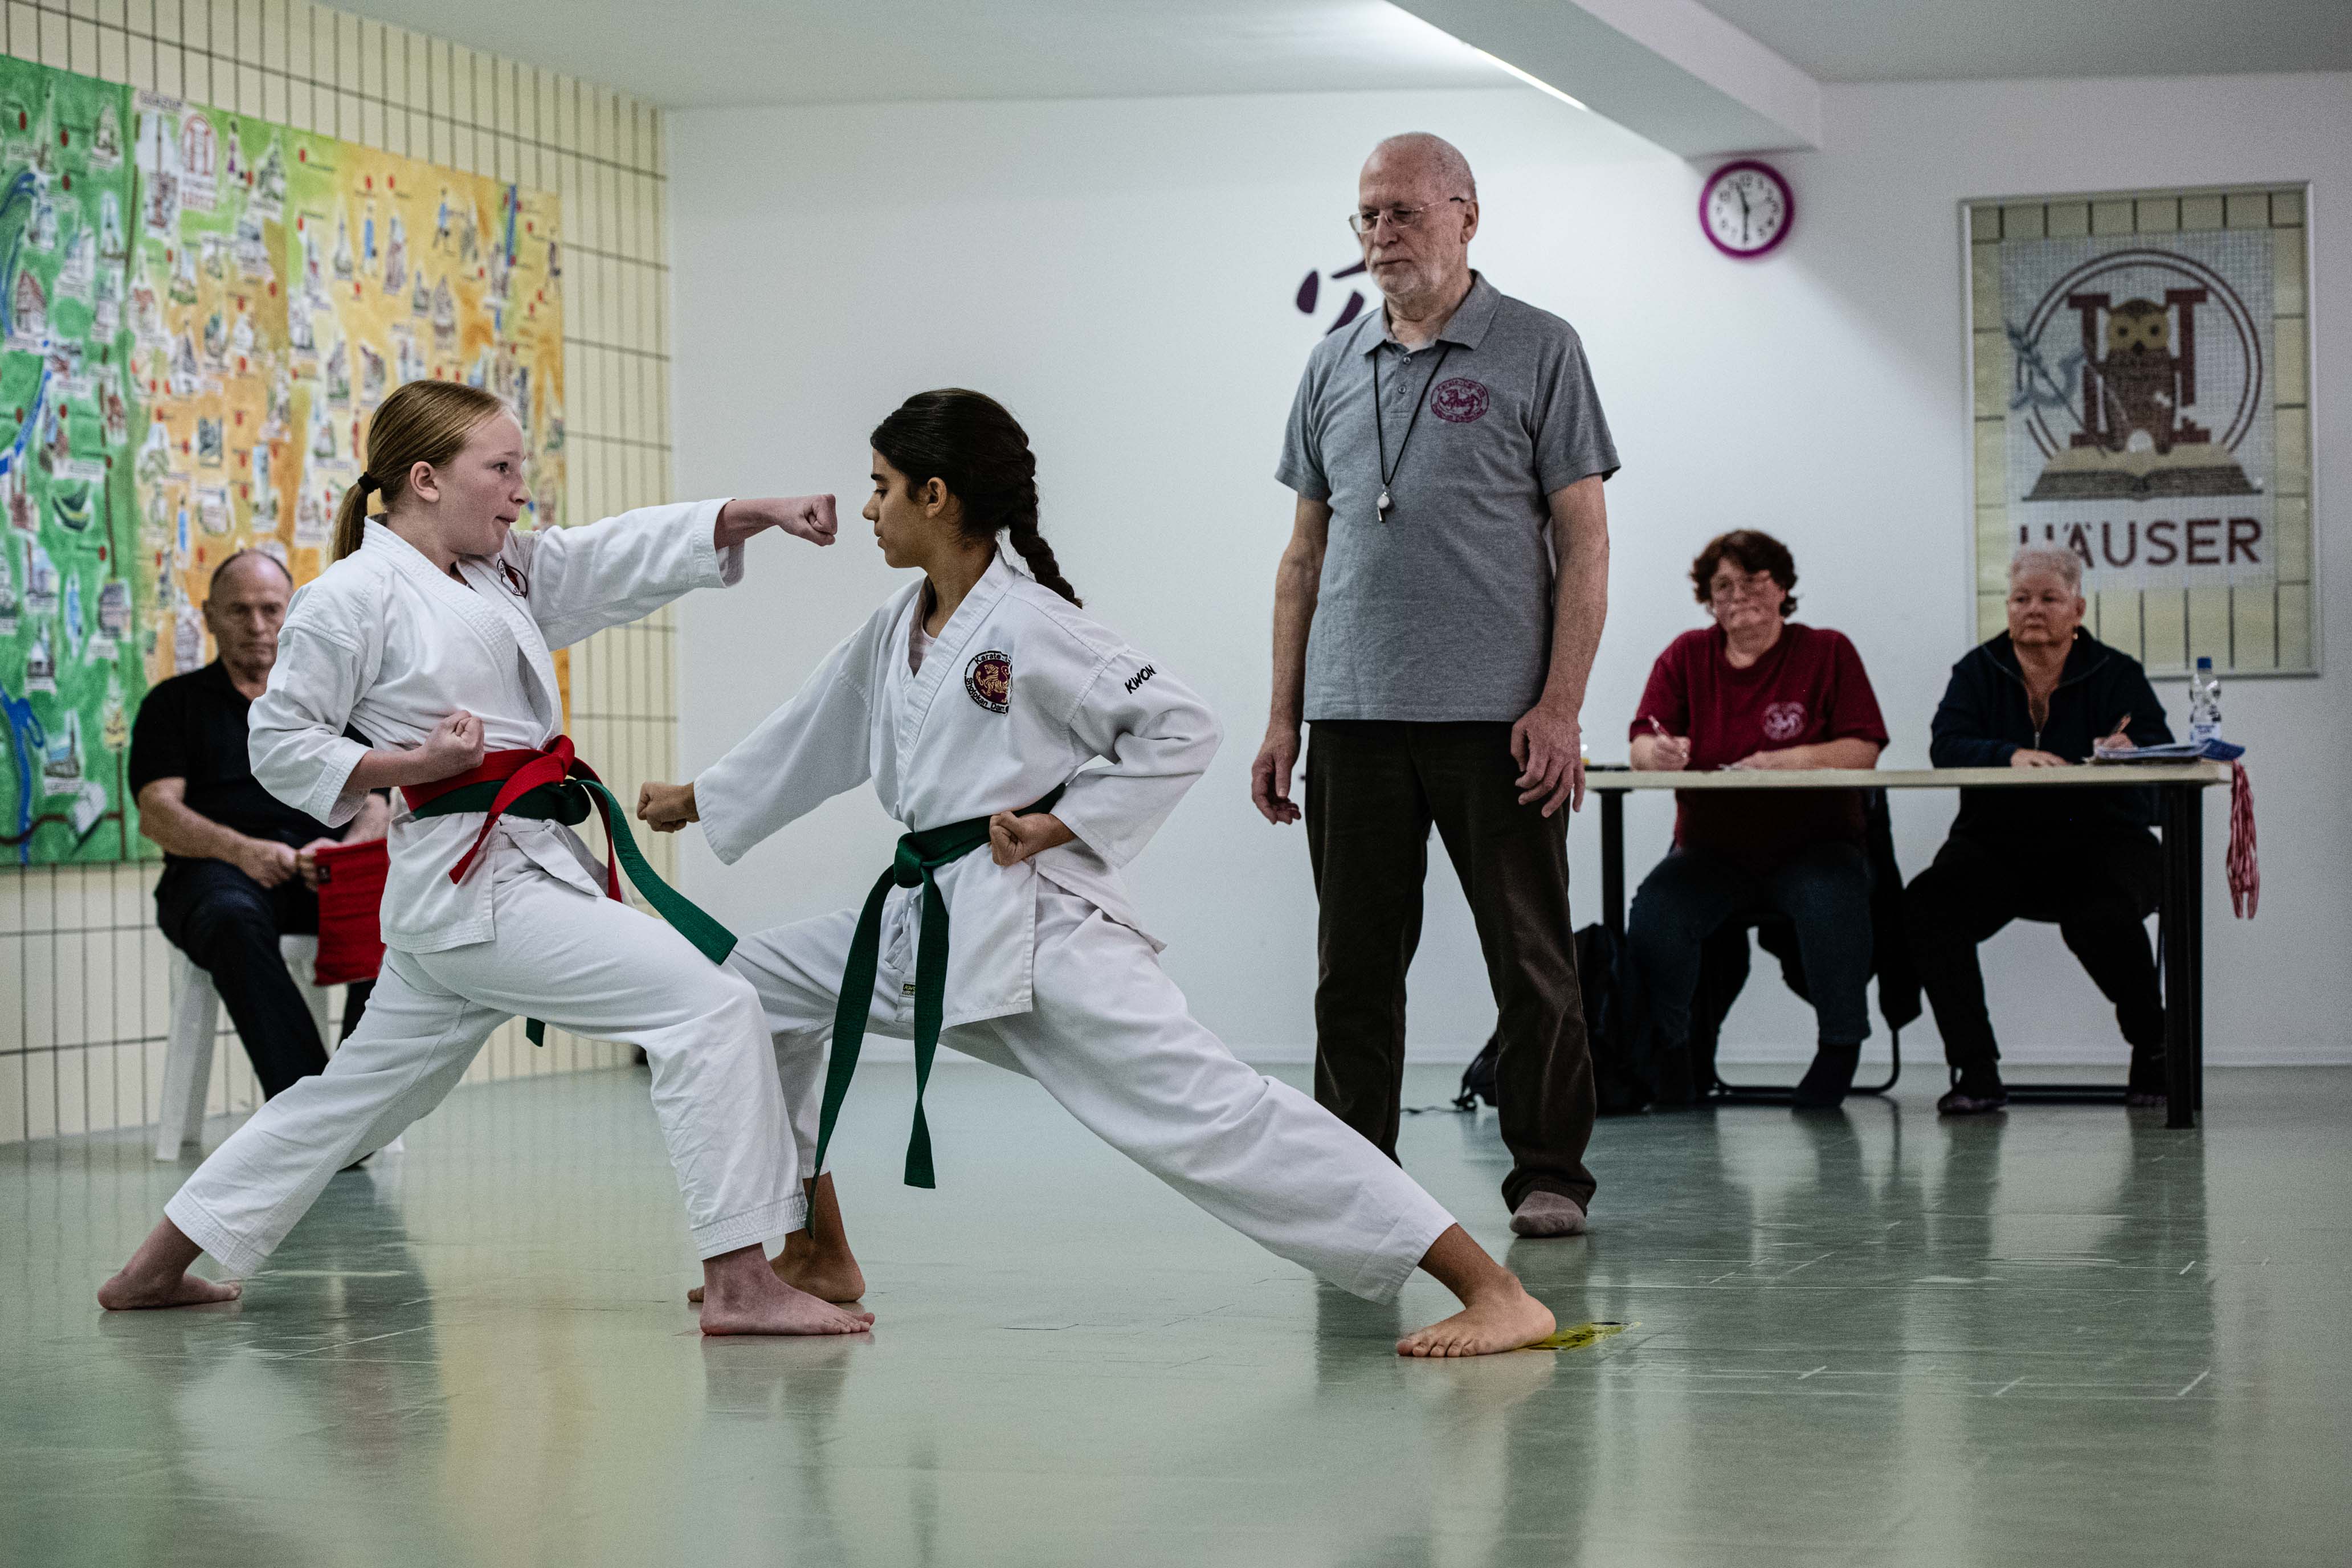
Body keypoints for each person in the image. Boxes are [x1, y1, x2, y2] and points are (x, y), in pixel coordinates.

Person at [638, 389, 1556, 1356]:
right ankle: (815, 1249)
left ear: (936, 496)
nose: (869, 508)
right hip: (926, 919)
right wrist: (699, 798)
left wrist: (1060, 824)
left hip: (1038, 934)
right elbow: (815, 728)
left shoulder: (1036, 626)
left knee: (1218, 1117)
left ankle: (1491, 1289)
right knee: (742, 993)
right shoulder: (898, 625)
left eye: (882, 487)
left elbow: (1182, 724)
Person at [99, 380, 869, 1338]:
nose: (519, 491)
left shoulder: (495, 574)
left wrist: (752, 512)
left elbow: (607, 554)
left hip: (478, 889)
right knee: (712, 1008)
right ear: (426, 479)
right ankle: (741, 1283)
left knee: (350, 1101)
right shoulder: (352, 596)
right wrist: (411, 766)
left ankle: (151, 1270)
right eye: (500, 469)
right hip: (483, 888)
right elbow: (282, 744)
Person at [1252, 132, 1615, 1239]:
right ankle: (1355, 1179)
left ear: (1466, 215)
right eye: (1367, 216)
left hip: (1497, 723)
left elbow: (1585, 541)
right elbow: (1303, 554)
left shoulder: (1540, 347)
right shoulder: (1332, 363)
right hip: (1352, 716)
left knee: (1531, 960)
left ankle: (1550, 1170)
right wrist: (1281, 715)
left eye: (1403, 212)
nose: (1381, 235)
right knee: (1352, 972)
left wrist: (1560, 705)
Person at [1906, 546, 2174, 1115]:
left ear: (2077, 608)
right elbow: (1946, 745)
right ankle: (1976, 1070)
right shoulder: (1977, 670)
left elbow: (2158, 744)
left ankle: (2155, 1044)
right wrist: (2008, 755)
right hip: (1998, 845)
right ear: (2007, 607)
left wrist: (2131, 746)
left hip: (2105, 842)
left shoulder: (2116, 671)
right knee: (1928, 905)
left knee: (2099, 914)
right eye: (2021, 598)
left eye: (2049, 598)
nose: (2033, 609)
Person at [1627, 530, 1888, 1109]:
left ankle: (1840, 1046)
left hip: (1815, 845)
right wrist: (1657, 754)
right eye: (1722, 585)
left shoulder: (1827, 650)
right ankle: (1672, 1052)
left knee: (1832, 902)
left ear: (1783, 588)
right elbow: (1642, 741)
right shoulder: (1686, 656)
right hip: (1711, 852)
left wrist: (1786, 760)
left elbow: (1863, 749)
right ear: (1708, 599)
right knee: (1656, 915)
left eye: (1752, 581)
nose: (1737, 595)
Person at [130, 549, 389, 1099]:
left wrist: (341, 853)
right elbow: (157, 811)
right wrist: (242, 851)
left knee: (399, 918)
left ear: (293, 614)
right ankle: (310, 1109)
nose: (257, 625)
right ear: (208, 616)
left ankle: (359, 1097)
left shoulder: (337, 706)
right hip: (218, 875)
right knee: (231, 919)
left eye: (271, 609)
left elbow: (377, 804)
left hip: (323, 872)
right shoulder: (173, 704)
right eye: (238, 610)